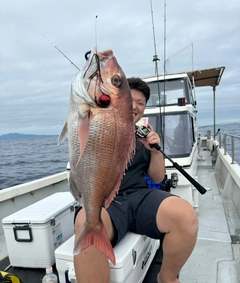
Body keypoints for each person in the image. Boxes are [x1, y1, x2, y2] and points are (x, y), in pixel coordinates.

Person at [74, 77, 199, 283]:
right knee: (86, 222)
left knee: (186, 216)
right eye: (129, 100)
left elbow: (157, 178)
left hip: (139, 197)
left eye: (140, 103)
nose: (135, 106)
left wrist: (154, 150)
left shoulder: (144, 135)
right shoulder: (99, 125)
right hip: (107, 202)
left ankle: (166, 277)